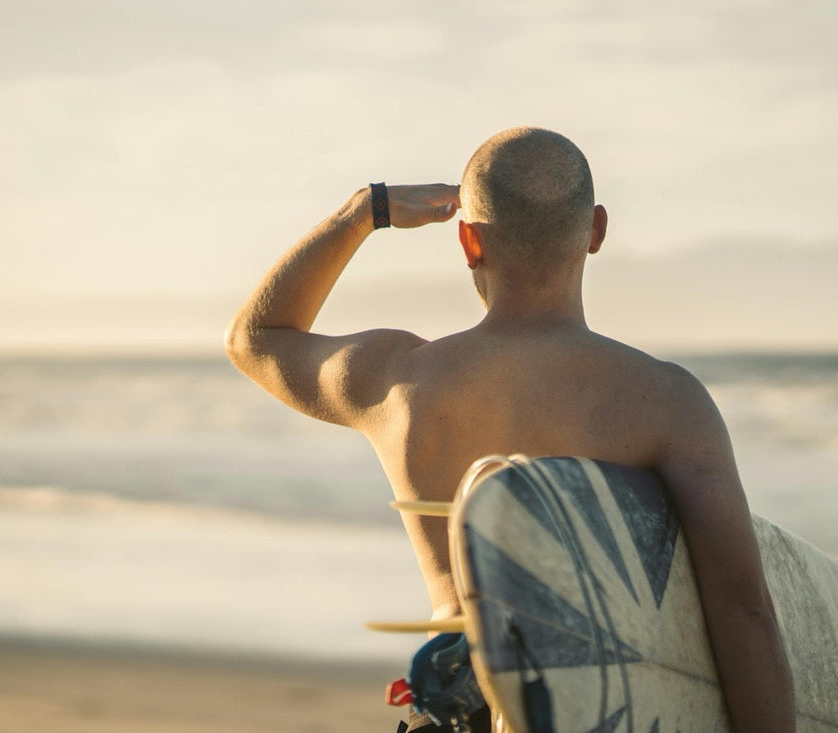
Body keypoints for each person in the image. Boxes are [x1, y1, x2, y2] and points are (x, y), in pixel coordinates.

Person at [225, 127, 796, 731]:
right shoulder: (667, 400)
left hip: (456, 713)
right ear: (596, 231)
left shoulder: (399, 381)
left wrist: (364, 212)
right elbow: (741, 607)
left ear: (468, 241)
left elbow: (256, 338)